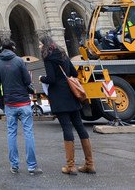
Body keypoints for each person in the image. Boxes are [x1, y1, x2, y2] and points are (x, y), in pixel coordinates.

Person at [39, 35, 95, 175]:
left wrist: (41, 78)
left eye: (40, 44)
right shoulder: (63, 54)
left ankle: (71, 166)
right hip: (71, 95)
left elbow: (51, 79)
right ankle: (90, 164)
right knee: (80, 127)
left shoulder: (48, 58)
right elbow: (74, 73)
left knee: (66, 128)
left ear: (45, 45)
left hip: (59, 97)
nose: (39, 46)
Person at [0, 39, 40, 175]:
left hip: (9, 104)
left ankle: (14, 166)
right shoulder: (19, 61)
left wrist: (2, 104)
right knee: (28, 133)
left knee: (11, 134)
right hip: (23, 102)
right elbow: (27, 81)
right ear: (13, 48)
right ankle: (32, 167)